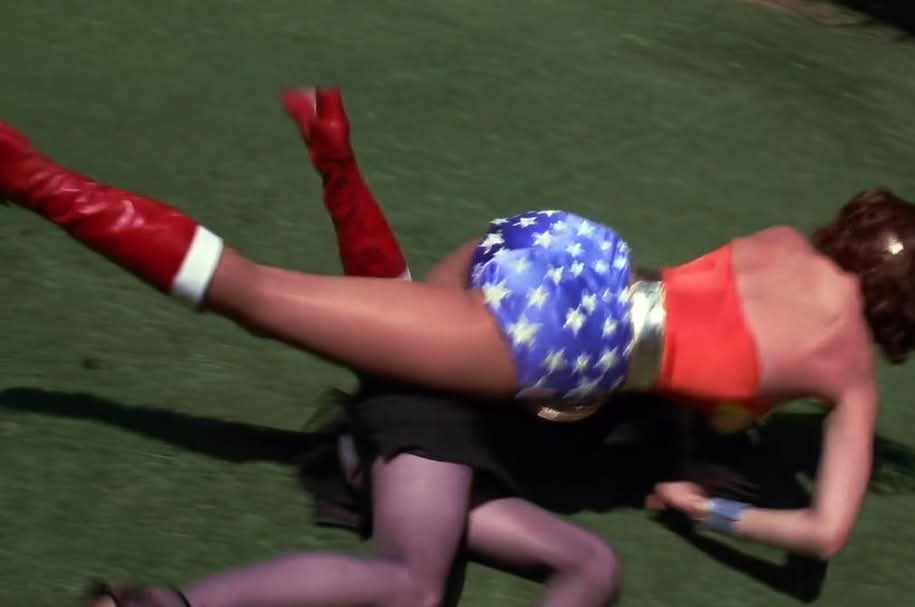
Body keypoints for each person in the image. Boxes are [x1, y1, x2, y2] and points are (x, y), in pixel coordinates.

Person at [0, 86, 915, 567]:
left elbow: (722, 336)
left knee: (398, 327)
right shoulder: (849, 370)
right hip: (570, 337)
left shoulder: (781, 241)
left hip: (564, 247)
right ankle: (33, 179)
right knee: (258, 296)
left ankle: (339, 163)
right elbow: (822, 532)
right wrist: (703, 507)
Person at [82, 89, 630, 607]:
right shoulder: (517, 317)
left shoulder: (566, 297)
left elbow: (398, 294)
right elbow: (401, 304)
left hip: (463, 437)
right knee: (414, 589)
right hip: (428, 422)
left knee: (593, 565)